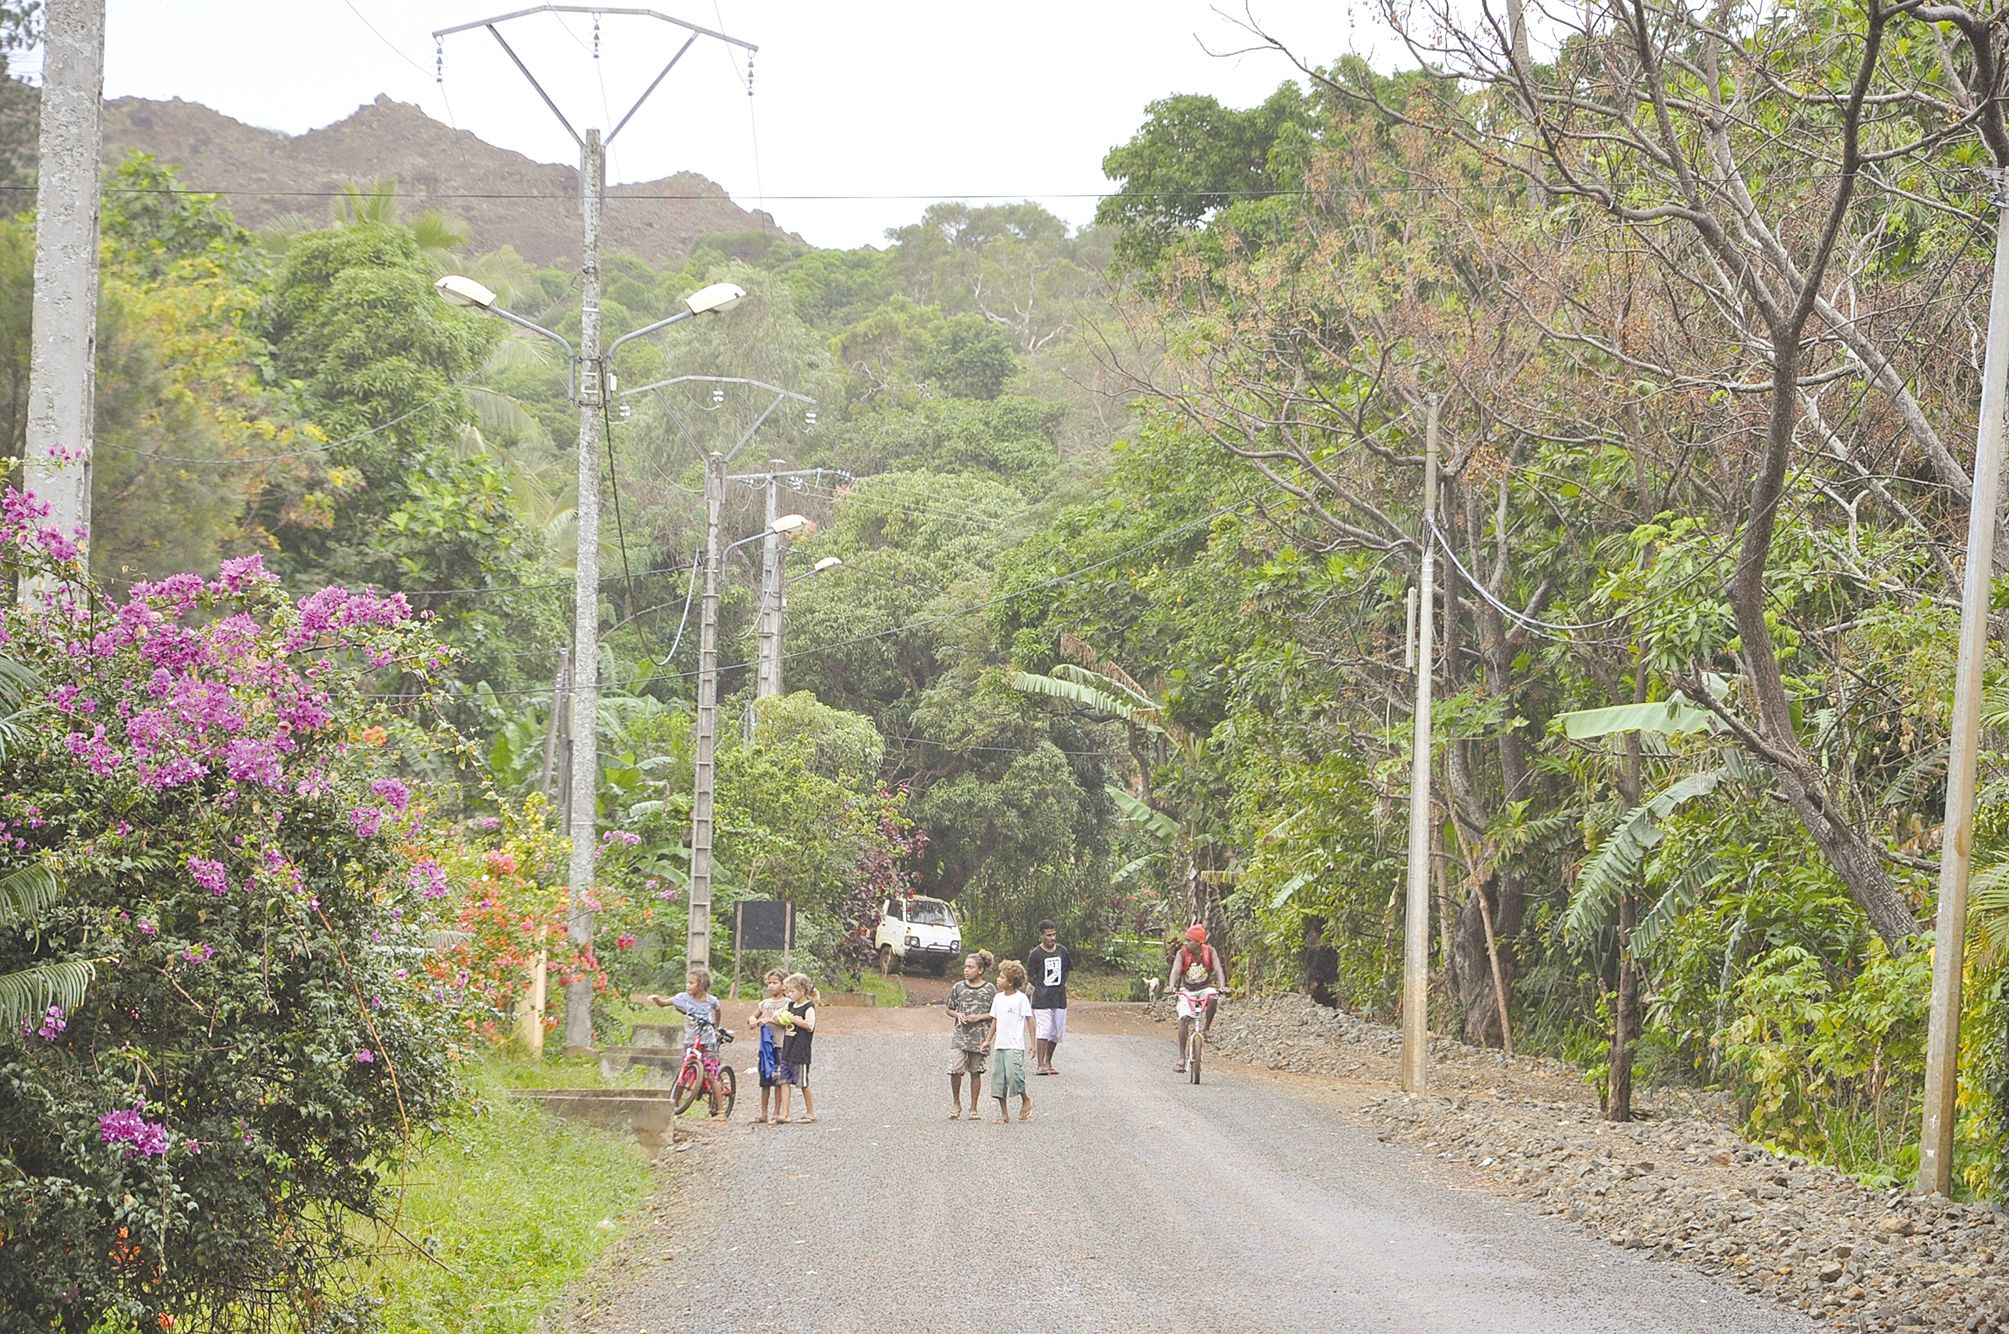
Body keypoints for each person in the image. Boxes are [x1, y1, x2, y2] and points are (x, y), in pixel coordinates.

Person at [1167, 924, 1227, 1074]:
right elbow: (1175, 970)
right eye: (1186, 940)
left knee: (1213, 997)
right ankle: (1181, 1057)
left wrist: (1222, 986)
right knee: (1183, 1019)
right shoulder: (1182, 954)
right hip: (1187, 990)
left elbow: (1219, 969)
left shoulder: (1210, 952)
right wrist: (1171, 986)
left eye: (1190, 941)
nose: (1186, 943)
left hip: (1205, 988)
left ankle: (1206, 1029)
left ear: (1199, 942)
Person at [945, 950, 996, 1119]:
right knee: (955, 1069)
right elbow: (949, 1008)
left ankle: (973, 1108)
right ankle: (956, 1103)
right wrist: (957, 1015)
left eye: (970, 967)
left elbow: (995, 1013)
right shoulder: (958, 987)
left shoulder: (990, 989)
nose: (966, 970)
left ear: (980, 970)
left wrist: (980, 1017)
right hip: (960, 1036)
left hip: (980, 1037)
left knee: (976, 1072)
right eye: (965, 967)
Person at [986, 958, 1036, 1123]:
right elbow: (995, 1021)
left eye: (1001, 977)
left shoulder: (1020, 999)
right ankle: (1004, 1114)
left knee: (1015, 1075)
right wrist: (988, 1041)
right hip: (1000, 1045)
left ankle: (1026, 1099)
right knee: (999, 1079)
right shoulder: (998, 998)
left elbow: (1029, 1020)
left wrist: (1033, 1044)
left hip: (1014, 1045)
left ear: (1010, 982)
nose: (998, 979)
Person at [1024, 920, 1072, 1075]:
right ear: (1041, 936)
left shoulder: (1062, 951)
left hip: (1059, 998)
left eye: (1054, 934)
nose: (1052, 938)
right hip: (1041, 999)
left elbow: (1067, 970)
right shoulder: (1035, 954)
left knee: (1056, 1032)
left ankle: (1048, 1061)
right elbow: (1030, 975)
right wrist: (1040, 987)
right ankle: (1040, 1065)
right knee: (1044, 1030)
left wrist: (1060, 985)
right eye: (1048, 935)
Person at [774, 972, 819, 1124]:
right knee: (784, 1081)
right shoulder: (790, 1005)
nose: (789, 994)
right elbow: (779, 1014)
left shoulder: (809, 1007)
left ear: (802, 991)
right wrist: (778, 1016)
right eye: (788, 991)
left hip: (800, 1052)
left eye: (792, 991)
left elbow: (810, 1026)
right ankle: (785, 1113)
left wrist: (795, 1019)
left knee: (802, 1083)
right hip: (787, 1050)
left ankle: (811, 1112)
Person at [747, 968, 790, 1124]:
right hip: (766, 1048)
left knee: (778, 1080)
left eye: (775, 983)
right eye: (769, 983)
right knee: (765, 1079)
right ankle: (763, 1112)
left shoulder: (788, 1003)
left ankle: (776, 1112)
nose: (771, 986)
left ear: (783, 985)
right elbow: (753, 1015)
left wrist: (769, 1020)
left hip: (780, 1045)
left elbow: (787, 1021)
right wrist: (752, 1020)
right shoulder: (764, 1003)